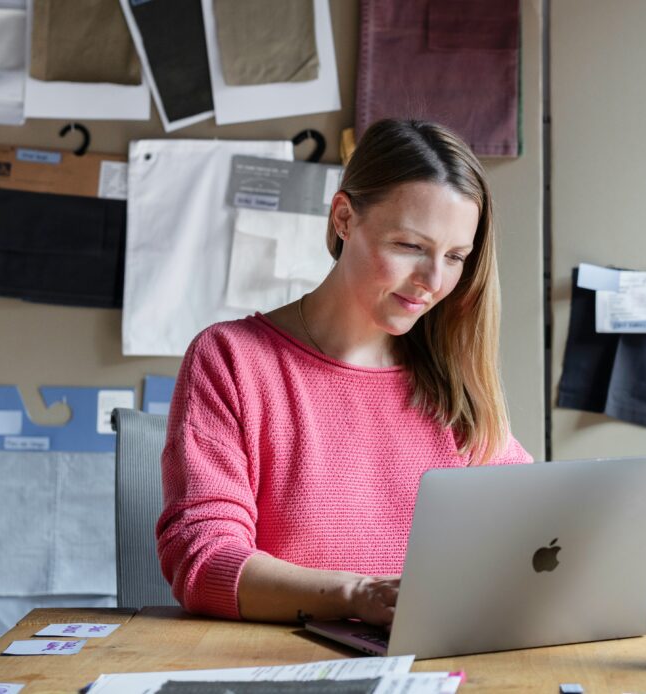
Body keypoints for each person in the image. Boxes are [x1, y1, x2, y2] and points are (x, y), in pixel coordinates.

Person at [156, 119, 533, 630]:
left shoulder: (451, 385)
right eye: (410, 246)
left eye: (455, 257)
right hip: (281, 669)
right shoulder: (231, 359)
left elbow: (536, 528)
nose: (432, 281)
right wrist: (357, 595)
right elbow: (202, 562)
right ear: (343, 218)